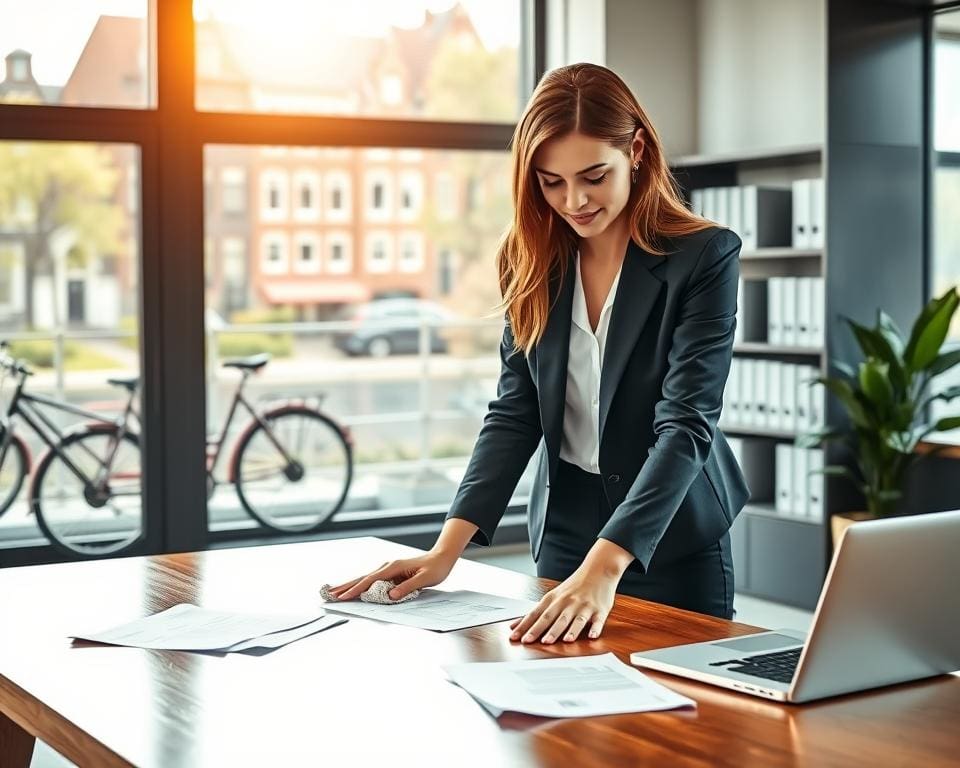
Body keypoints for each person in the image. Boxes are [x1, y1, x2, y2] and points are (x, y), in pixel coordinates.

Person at [328, 63, 749, 643]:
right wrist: (446, 549)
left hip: (670, 533)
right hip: (568, 527)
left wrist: (605, 568)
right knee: (561, 715)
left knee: (688, 720)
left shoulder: (704, 257)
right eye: (551, 182)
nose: (573, 200)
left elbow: (686, 426)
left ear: (638, 150)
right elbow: (514, 410)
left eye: (593, 176)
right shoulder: (530, 260)